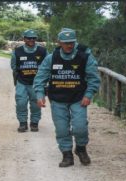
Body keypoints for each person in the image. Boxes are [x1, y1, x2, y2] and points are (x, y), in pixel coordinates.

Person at [33, 28, 100, 167]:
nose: (69, 45)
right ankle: (67, 155)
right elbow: (40, 78)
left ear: (75, 42)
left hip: (79, 98)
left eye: (71, 42)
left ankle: (81, 149)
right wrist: (40, 95)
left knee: (80, 127)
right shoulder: (51, 58)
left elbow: (94, 78)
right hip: (57, 99)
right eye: (65, 43)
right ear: (59, 43)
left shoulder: (85, 57)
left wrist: (89, 94)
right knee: (62, 129)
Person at [11, 29, 47, 132]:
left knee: (36, 103)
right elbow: (13, 66)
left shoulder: (42, 51)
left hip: (37, 83)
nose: (31, 40)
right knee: (21, 103)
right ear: (24, 39)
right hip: (22, 81)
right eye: (29, 38)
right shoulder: (17, 51)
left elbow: (47, 66)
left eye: (33, 38)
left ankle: (34, 123)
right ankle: (22, 123)